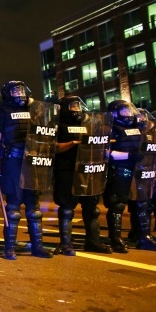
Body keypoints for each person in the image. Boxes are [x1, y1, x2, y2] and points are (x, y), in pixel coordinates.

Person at [0, 81, 53, 260]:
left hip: (33, 163)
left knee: (34, 209)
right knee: (13, 208)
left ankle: (37, 247)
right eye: (15, 90)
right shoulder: (0, 112)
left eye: (22, 90)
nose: (20, 93)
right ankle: (9, 248)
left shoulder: (36, 110)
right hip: (12, 162)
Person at [52, 96, 112, 255]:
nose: (77, 109)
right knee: (66, 208)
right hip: (67, 170)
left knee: (92, 208)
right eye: (73, 106)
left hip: (87, 171)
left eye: (78, 105)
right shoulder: (57, 126)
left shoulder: (89, 124)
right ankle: (66, 244)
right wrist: (73, 143)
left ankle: (93, 242)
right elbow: (52, 148)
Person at [104, 100, 156, 252]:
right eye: (124, 111)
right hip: (120, 170)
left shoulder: (137, 127)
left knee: (142, 204)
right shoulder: (109, 128)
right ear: (114, 113)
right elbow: (106, 153)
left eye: (129, 110)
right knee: (117, 205)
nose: (128, 114)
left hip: (139, 171)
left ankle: (143, 237)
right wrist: (128, 156)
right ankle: (116, 239)